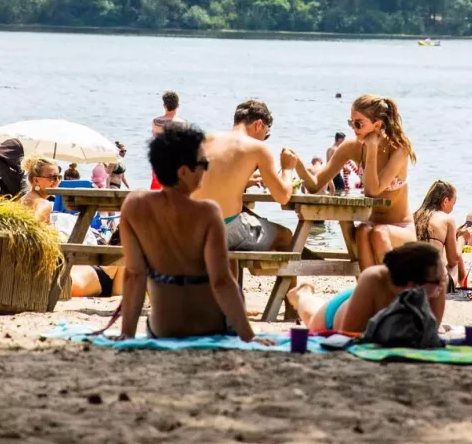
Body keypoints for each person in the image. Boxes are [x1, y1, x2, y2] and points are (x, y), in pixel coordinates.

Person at [117, 123, 256, 341]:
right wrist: (249, 337)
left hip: (163, 329)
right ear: (183, 172)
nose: (206, 169)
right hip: (210, 327)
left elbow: (134, 275)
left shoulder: (134, 206)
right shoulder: (208, 212)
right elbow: (221, 281)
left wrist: (126, 335)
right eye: (203, 164)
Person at [290, 94, 416, 268]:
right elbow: (315, 185)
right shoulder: (352, 146)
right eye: (351, 123)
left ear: (377, 125)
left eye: (358, 123)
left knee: (378, 233)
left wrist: (371, 148)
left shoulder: (398, 148)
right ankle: (371, 289)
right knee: (363, 231)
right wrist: (298, 165)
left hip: (400, 226)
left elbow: (372, 191)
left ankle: (392, 290)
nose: (353, 128)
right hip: (371, 223)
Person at [192, 100, 296, 252]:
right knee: (285, 235)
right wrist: (287, 168)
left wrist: (244, 182)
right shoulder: (257, 148)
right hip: (225, 230)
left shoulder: (205, 140)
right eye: (265, 134)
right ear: (258, 124)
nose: (263, 139)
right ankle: (282, 276)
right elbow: (283, 196)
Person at [293, 240, 448, 336]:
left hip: (361, 300)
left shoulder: (436, 281)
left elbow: (430, 331)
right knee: (311, 316)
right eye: (439, 282)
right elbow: (347, 335)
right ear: (413, 284)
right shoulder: (374, 278)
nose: (443, 285)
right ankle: (302, 293)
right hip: (339, 314)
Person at [412, 180, 465, 289]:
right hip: (435, 285)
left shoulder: (413, 216)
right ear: (445, 201)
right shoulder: (447, 219)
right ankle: (464, 284)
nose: (453, 208)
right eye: (453, 204)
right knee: (454, 260)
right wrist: (461, 239)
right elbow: (453, 260)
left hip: (412, 281)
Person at [19, 155, 60, 224]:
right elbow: (31, 227)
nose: (57, 181)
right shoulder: (44, 204)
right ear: (36, 180)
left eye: (59, 177)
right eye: (53, 177)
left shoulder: (24, 198)